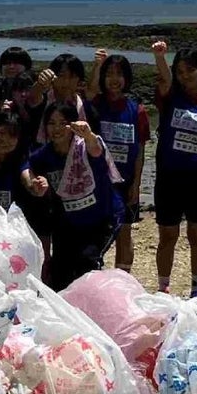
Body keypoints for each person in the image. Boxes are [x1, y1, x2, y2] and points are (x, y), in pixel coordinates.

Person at [23, 106, 122, 289]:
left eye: (63, 123)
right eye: (51, 123)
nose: (57, 128)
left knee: (87, 265)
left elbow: (96, 149)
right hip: (68, 222)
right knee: (60, 273)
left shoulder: (83, 147)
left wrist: (89, 135)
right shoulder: (45, 154)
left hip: (99, 219)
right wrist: (33, 184)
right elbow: (26, 166)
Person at [150, 40, 197, 299]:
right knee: (168, 236)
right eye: (180, 71)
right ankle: (163, 288)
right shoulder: (170, 98)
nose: (185, 75)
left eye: (190, 70)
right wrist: (160, 56)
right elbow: (165, 79)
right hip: (169, 177)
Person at [91, 53, 149, 273]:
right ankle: (94, 274)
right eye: (109, 74)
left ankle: (123, 278)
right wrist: (97, 65)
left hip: (125, 182)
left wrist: (136, 184)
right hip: (99, 181)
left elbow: (140, 151)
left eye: (119, 74)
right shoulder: (95, 105)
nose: (114, 79)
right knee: (97, 231)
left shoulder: (137, 110)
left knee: (125, 232)